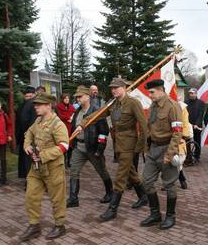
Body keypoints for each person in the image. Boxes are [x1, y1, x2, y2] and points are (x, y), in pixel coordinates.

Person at [76, 78, 148, 222]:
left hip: (129, 143)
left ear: (124, 88)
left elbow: (144, 126)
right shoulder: (113, 104)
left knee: (121, 175)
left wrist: (140, 147)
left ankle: (113, 208)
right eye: (112, 88)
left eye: (116, 87)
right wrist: (83, 124)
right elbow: (98, 115)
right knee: (131, 172)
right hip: (118, 144)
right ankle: (143, 196)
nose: (114, 90)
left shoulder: (133, 103)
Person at [19, 93, 69, 242]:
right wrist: (27, 145)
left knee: (57, 198)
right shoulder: (38, 121)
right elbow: (28, 133)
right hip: (36, 168)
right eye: (35, 105)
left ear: (49, 106)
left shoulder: (57, 124)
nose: (36, 107)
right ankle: (34, 225)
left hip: (53, 168)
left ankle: (60, 225)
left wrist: (43, 155)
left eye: (39, 105)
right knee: (31, 195)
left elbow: (64, 145)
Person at [140, 79, 182, 229]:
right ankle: (155, 214)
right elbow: (149, 129)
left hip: (167, 148)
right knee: (146, 181)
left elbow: (177, 133)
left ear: (160, 90)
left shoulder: (172, 106)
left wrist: (169, 154)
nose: (150, 95)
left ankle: (171, 216)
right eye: (149, 92)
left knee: (169, 184)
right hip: (153, 149)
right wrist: (146, 149)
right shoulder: (153, 107)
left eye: (151, 92)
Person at [66, 86, 113, 207]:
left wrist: (100, 149)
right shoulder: (77, 112)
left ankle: (110, 193)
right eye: (76, 97)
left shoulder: (97, 112)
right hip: (79, 147)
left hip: (93, 148)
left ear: (87, 96)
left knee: (102, 171)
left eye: (80, 96)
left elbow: (104, 132)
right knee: (74, 171)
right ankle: (73, 198)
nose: (77, 99)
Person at [15, 86, 37, 181]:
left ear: (34, 94)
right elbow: (20, 121)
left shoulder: (32, 105)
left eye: (30, 96)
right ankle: (30, 180)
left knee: (30, 159)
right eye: (27, 96)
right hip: (27, 136)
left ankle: (31, 180)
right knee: (29, 159)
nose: (28, 98)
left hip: (31, 136)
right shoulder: (24, 106)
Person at [56, 93, 75, 168]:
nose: (67, 99)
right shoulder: (58, 106)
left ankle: (69, 161)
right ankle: (63, 161)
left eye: (68, 98)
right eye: (65, 98)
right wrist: (68, 118)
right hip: (62, 127)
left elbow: (75, 113)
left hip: (71, 128)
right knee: (63, 144)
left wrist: (72, 118)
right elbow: (60, 116)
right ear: (62, 99)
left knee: (70, 146)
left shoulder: (71, 107)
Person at [185, 88, 204, 162]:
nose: (192, 95)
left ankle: (197, 156)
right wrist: (188, 124)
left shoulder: (201, 102)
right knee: (187, 140)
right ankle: (188, 156)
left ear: (196, 94)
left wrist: (197, 124)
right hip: (188, 125)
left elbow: (201, 114)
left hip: (197, 126)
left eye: (193, 93)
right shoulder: (186, 102)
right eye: (190, 93)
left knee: (197, 140)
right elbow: (185, 114)